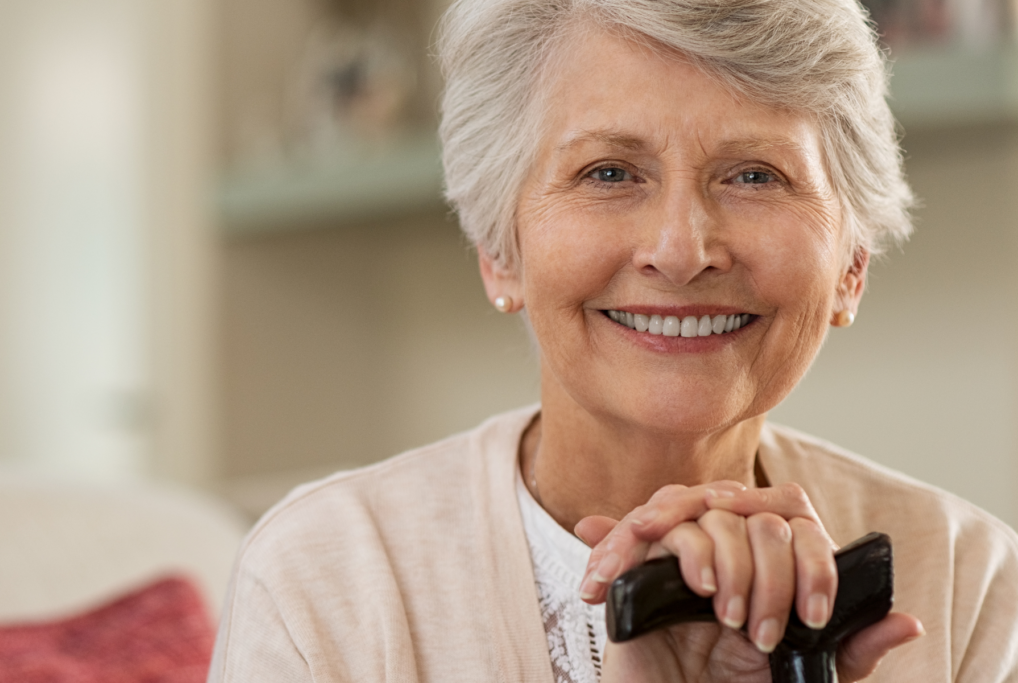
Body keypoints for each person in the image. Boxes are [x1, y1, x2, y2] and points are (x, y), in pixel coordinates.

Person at [208, 0, 1018, 680]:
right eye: (608, 173)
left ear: (851, 263)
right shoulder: (324, 578)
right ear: (500, 249)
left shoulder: (968, 580)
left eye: (755, 175)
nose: (681, 248)